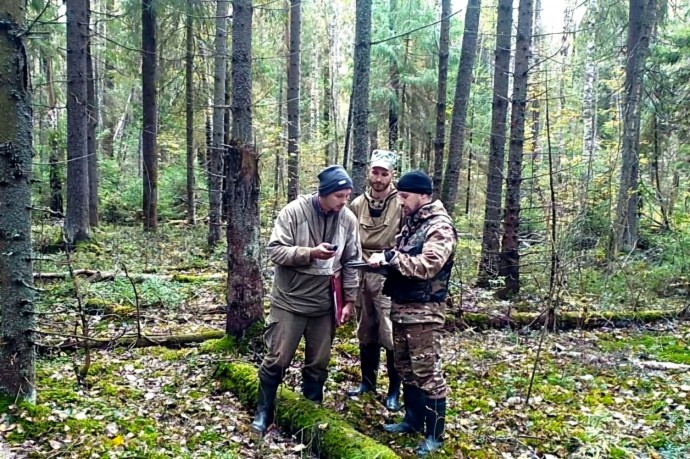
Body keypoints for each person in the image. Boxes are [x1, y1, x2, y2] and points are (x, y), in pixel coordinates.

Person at [251, 165, 361, 434]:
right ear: (324, 193)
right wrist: (309, 253)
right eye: (339, 196)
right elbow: (275, 251)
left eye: (347, 196)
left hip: (325, 303)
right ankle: (264, 410)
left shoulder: (347, 219)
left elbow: (352, 261)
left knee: (318, 363)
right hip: (289, 300)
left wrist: (349, 301)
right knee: (277, 358)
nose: (344, 201)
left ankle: (311, 408)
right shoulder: (294, 212)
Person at [368, 170, 457, 457]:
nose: (401, 202)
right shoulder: (412, 223)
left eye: (405, 196)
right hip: (402, 309)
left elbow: (428, 265)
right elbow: (401, 259)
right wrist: (382, 262)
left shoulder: (439, 226)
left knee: (427, 373)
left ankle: (434, 435)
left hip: (424, 313)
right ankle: (412, 419)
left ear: (423, 195)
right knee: (406, 369)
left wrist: (392, 258)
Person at [346, 150, 403, 411]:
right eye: (375, 172)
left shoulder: (401, 204)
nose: (379, 178)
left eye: (384, 173)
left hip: (387, 275)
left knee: (389, 331)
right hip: (360, 273)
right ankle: (367, 383)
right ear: (369, 172)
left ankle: (394, 390)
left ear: (392, 175)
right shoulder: (357, 204)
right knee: (365, 328)